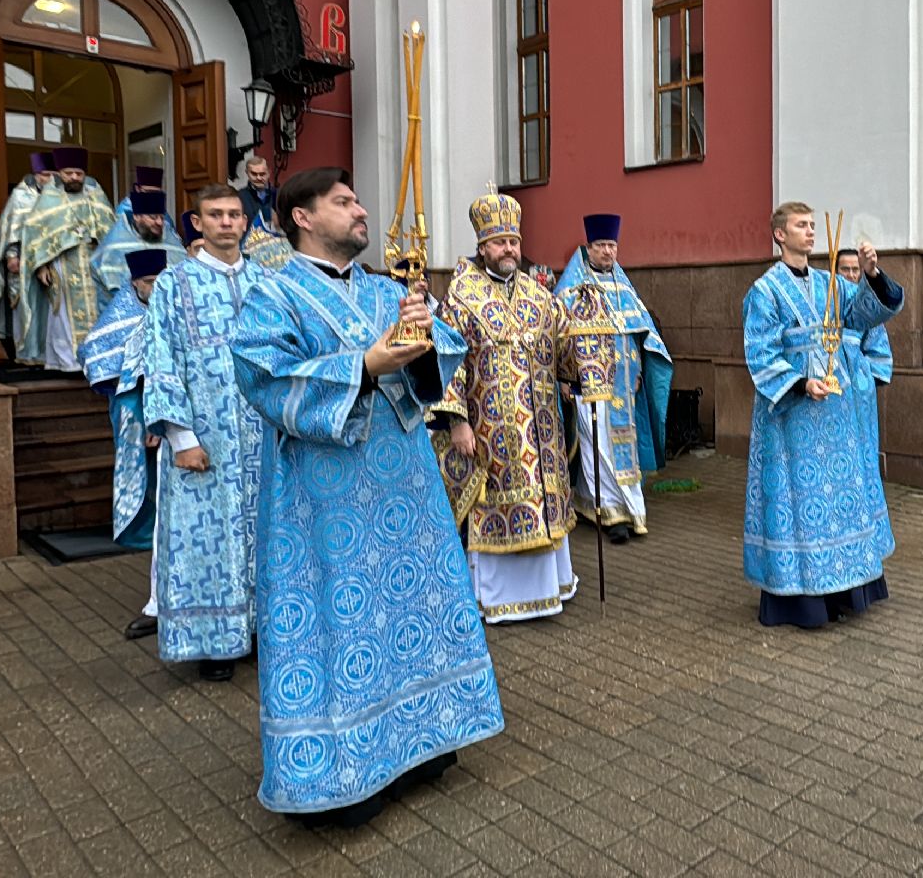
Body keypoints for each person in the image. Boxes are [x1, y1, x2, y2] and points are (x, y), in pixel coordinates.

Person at [232, 167, 503, 826]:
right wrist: (361, 366)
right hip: (326, 499)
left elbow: (439, 357)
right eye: (344, 202)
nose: (360, 211)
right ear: (302, 216)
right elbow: (261, 373)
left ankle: (425, 743)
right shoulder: (273, 294)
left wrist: (426, 335)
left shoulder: (385, 290)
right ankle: (345, 769)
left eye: (357, 200)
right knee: (344, 618)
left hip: (404, 487)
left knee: (413, 606)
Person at [434, 191, 603, 624]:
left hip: (542, 428)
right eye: (499, 242)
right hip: (490, 428)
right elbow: (448, 360)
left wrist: (588, 340)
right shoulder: (461, 296)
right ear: (482, 246)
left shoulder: (538, 294)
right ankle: (496, 597)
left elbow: (564, 347)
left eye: (513, 240)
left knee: (545, 500)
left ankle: (550, 588)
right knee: (498, 500)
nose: (509, 248)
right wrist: (457, 421)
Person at [742, 202, 904, 628]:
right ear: (780, 235)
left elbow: (865, 316)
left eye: (814, 225)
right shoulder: (765, 291)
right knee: (802, 504)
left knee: (839, 502)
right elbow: (760, 352)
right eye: (801, 225)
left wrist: (871, 275)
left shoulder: (832, 283)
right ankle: (804, 602)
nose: (811, 232)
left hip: (836, 416)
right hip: (793, 417)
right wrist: (799, 383)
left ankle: (846, 592)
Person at [140, 184, 265, 682]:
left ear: (246, 222)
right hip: (205, 438)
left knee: (260, 533)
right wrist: (180, 436)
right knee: (209, 541)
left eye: (235, 214)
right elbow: (161, 358)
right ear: (197, 223)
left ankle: (255, 630)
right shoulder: (175, 285)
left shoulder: (264, 280)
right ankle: (213, 645)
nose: (227, 223)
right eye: (216, 215)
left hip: (260, 438)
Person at [554, 214, 673, 544]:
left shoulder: (623, 285)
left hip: (623, 382)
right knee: (597, 445)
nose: (608, 251)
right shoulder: (572, 287)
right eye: (602, 245)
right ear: (589, 248)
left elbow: (637, 334)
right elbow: (559, 335)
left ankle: (630, 508)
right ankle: (608, 512)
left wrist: (637, 371)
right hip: (586, 381)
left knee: (622, 444)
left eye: (612, 245)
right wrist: (563, 378)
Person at [79, 248, 169, 642]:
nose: (155, 289)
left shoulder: (170, 308)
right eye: (149, 283)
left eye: (159, 282)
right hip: (141, 423)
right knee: (154, 505)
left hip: (175, 424)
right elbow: (99, 355)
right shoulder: (121, 314)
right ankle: (156, 599)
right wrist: (150, 416)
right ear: (134, 283)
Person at [19, 147, 113, 371]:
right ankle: (69, 362)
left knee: (96, 310)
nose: (74, 178)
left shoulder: (95, 196)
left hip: (92, 262)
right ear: (60, 173)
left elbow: (110, 228)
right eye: (69, 173)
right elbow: (35, 234)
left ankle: (95, 359)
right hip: (62, 264)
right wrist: (42, 265)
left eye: (79, 174)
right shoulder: (49, 199)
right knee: (63, 315)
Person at [0, 152, 55, 344]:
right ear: (36, 174)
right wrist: (12, 255)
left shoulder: (58, 198)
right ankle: (25, 351)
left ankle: (48, 354)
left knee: (50, 309)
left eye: (52, 175)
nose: (48, 180)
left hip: (52, 261)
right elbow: (10, 229)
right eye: (44, 175)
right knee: (27, 307)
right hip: (25, 260)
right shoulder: (21, 196)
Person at [92, 167, 186, 294]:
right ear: (136, 217)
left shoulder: (170, 238)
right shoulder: (117, 242)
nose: (159, 222)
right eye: (153, 217)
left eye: (161, 217)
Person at [834, 248, 892, 385]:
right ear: (835, 271)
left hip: (857, 387)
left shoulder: (867, 306)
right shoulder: (824, 303)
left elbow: (878, 350)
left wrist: (862, 381)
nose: (851, 275)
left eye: (855, 269)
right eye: (845, 269)